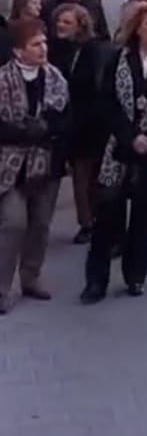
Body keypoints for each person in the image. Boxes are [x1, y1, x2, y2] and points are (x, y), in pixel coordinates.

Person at [81, 2, 147, 303]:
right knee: (106, 218)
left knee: (145, 219)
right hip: (120, 149)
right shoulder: (119, 60)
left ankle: (135, 274)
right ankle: (95, 282)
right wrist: (130, 137)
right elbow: (107, 102)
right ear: (137, 28)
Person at [0, 17, 69, 313]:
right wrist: (24, 132)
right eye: (35, 44)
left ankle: (31, 277)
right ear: (18, 51)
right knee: (14, 224)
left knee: (40, 224)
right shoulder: (1, 80)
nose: (43, 49)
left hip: (45, 162)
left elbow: (63, 118)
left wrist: (47, 130)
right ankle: (1, 288)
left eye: (44, 43)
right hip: (9, 164)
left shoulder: (55, 78)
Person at [50, 3, 111, 243]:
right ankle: (87, 222)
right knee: (81, 176)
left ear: (80, 25)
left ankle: (99, 222)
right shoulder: (59, 50)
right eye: (59, 22)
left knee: (93, 176)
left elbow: (97, 87)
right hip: (72, 122)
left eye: (67, 22)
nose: (60, 26)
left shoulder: (94, 50)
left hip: (93, 122)